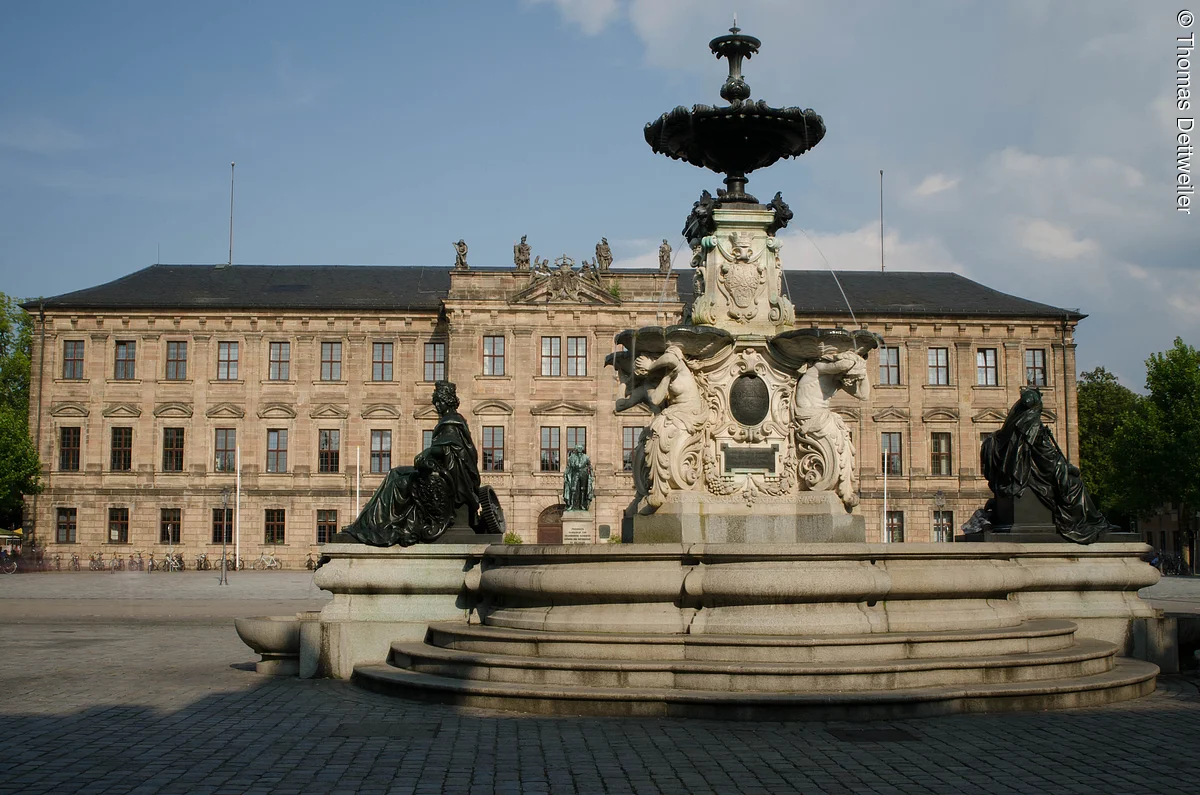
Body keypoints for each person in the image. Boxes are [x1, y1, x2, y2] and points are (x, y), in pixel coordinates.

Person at [341, 381, 481, 547]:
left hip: (447, 478)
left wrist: (428, 453)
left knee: (398, 482)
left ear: (447, 401)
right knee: (394, 473)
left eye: (439, 402)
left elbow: (450, 448)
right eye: (436, 402)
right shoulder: (452, 421)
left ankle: (377, 525)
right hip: (440, 471)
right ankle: (367, 524)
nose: (437, 406)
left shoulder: (451, 422)